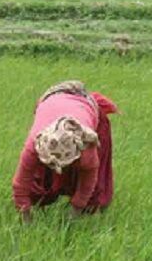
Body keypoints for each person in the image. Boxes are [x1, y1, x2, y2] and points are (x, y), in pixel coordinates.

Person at [12, 80, 119, 223]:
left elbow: (88, 181)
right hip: (52, 100)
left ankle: (87, 212)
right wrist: (25, 216)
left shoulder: (86, 145)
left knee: (93, 198)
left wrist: (74, 213)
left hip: (84, 105)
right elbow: (20, 184)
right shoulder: (34, 144)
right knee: (38, 185)